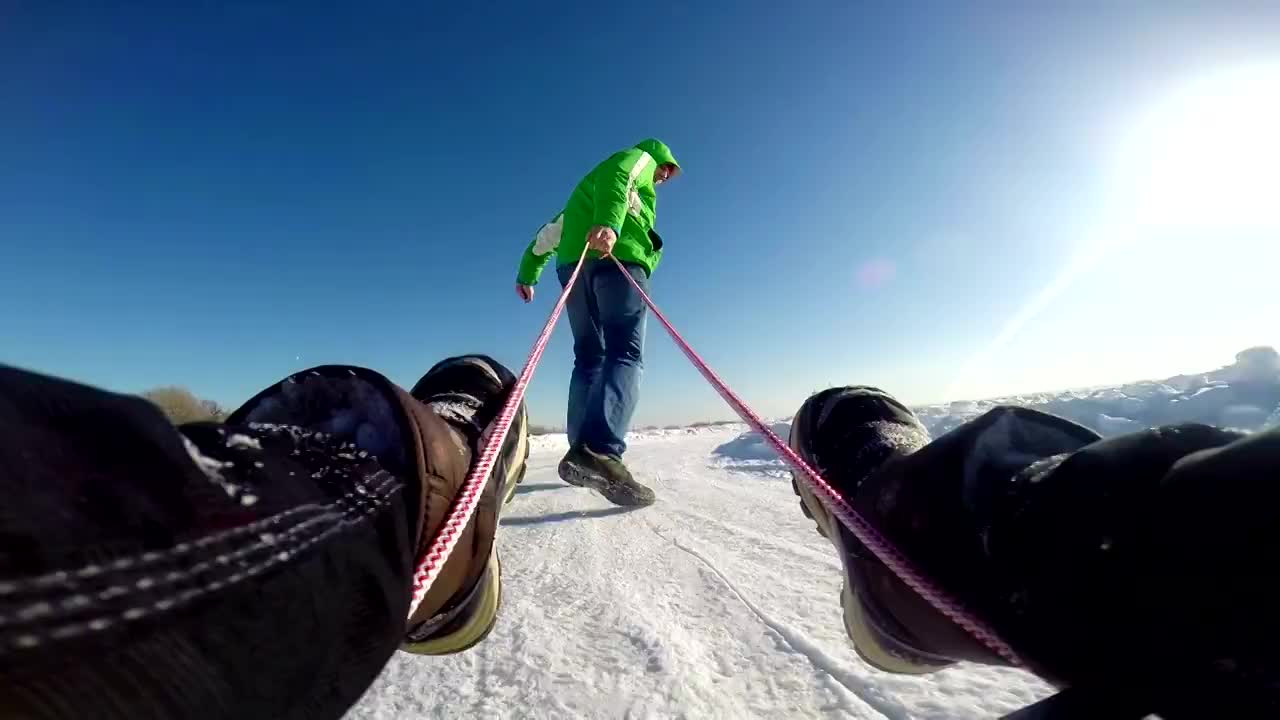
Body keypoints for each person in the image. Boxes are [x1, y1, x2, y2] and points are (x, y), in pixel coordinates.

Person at [1, 358, 1278, 719]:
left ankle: (391, 484)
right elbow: (578, 230)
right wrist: (584, 242)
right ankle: (977, 521)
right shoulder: (621, 183)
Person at [514, 139, 681, 507]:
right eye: (667, 169)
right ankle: (601, 450)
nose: (665, 177)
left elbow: (547, 236)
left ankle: (580, 450)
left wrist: (528, 273)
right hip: (615, 259)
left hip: (574, 266)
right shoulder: (638, 160)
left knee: (589, 356)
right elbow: (619, 174)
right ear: (661, 159)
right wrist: (609, 224)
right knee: (626, 352)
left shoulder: (579, 203)